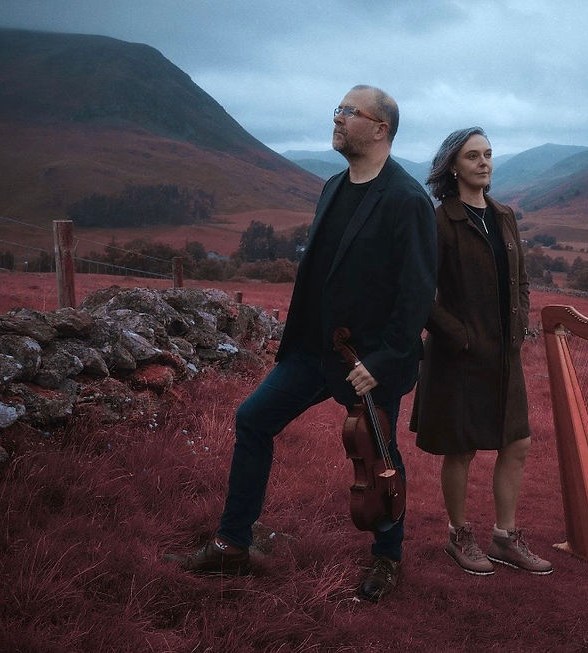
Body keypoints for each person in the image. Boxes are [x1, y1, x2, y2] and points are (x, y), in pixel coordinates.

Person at [165, 85, 437, 603]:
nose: (335, 119)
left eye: (347, 112)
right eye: (337, 110)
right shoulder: (333, 185)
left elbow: (416, 293)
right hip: (314, 351)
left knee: (380, 455)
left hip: (366, 362)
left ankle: (387, 560)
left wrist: (381, 361)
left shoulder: (406, 200)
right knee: (253, 420)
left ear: (380, 129)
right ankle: (232, 545)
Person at [412, 127, 552, 576]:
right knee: (462, 449)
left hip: (504, 353)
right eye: (473, 156)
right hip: (460, 355)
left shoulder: (504, 216)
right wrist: (460, 335)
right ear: (453, 165)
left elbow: (522, 280)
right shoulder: (439, 221)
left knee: (518, 442)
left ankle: (504, 538)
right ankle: (459, 535)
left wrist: (520, 322)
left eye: (489, 154)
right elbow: (417, 292)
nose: (484, 163)